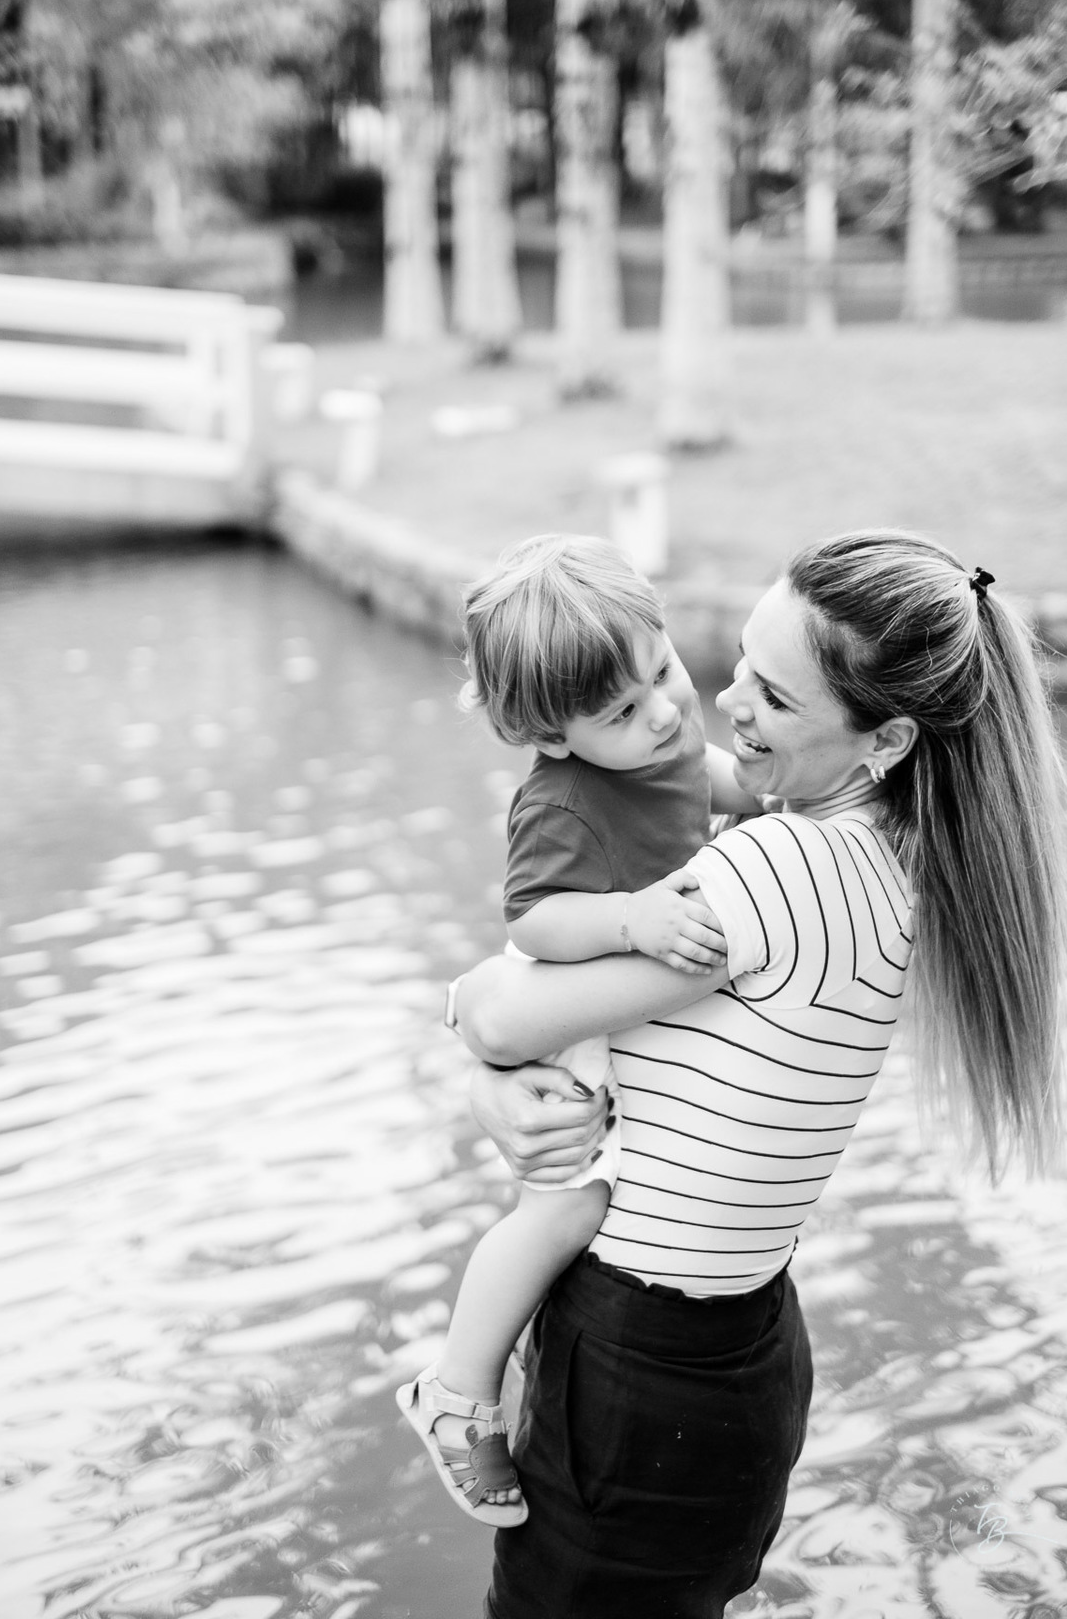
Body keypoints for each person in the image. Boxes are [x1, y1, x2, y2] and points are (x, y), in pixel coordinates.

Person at [452, 529, 1067, 1618]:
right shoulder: (879, 847)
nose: (722, 703)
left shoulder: (776, 870)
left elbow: (501, 1013)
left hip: (644, 1371)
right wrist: (500, 1083)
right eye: (737, 661)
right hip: (735, 1352)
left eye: (773, 699)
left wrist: (479, 1044)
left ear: (884, 742)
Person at [396, 535, 758, 1527]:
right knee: (563, 1211)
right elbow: (534, 921)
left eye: (665, 669)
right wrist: (631, 919)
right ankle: (456, 1392)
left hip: (616, 998)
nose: (667, 709)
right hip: (571, 1000)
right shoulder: (558, 801)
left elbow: (723, 783)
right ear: (553, 736)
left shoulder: (665, 737)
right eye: (623, 711)